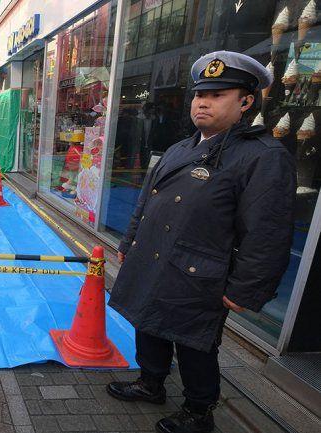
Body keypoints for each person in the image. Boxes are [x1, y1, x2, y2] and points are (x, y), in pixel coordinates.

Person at [105, 52, 296, 433]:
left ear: (245, 102)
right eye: (199, 95)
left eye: (218, 95)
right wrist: (128, 243)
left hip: (200, 270)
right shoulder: (181, 148)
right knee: (149, 321)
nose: (203, 103)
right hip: (155, 257)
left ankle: (199, 410)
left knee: (194, 342)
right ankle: (151, 382)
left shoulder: (262, 157)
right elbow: (146, 201)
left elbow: (267, 232)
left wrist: (246, 288)